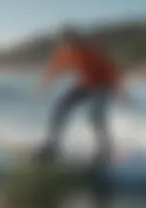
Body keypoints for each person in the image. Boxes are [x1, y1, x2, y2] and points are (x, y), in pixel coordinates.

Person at [37, 26, 128, 163]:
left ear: (78, 39)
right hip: (85, 85)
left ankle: (105, 150)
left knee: (95, 117)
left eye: (72, 40)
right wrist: (44, 85)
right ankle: (52, 146)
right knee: (60, 108)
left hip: (104, 86)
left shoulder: (91, 51)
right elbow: (54, 69)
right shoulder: (64, 53)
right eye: (65, 41)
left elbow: (112, 71)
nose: (69, 44)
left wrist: (122, 92)